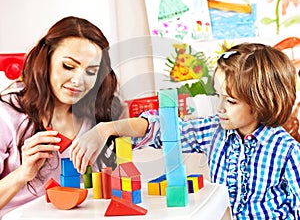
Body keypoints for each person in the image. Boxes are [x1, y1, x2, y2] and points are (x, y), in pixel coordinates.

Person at [70, 42, 300, 219]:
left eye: (230, 101)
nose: (219, 107)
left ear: (262, 103)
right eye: (218, 96)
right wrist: (108, 128)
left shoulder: (287, 151)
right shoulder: (214, 132)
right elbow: (162, 129)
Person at [0, 16, 123, 218]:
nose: (78, 81)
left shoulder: (97, 117)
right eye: (68, 66)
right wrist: (23, 174)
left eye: (91, 72)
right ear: (45, 60)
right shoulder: (7, 115)